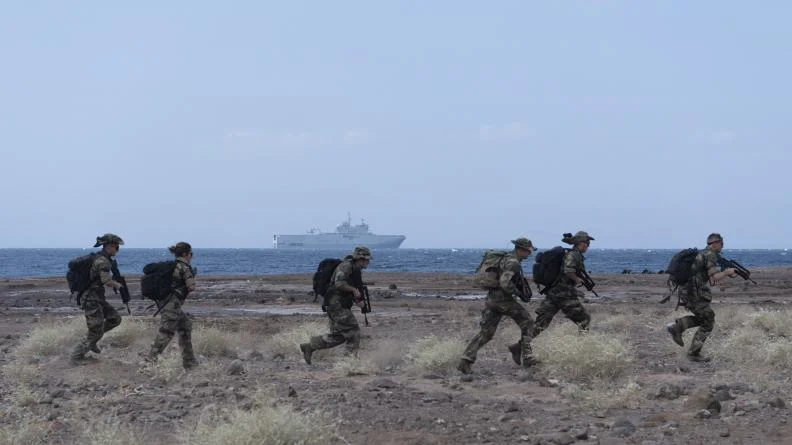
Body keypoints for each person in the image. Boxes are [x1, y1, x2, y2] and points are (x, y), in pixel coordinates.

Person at [457, 237, 537, 374]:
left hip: (492, 300)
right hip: (503, 301)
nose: (529, 254)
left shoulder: (506, 258)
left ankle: (465, 361)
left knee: (486, 333)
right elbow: (505, 283)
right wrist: (518, 293)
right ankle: (527, 358)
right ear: (521, 250)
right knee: (528, 323)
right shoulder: (513, 263)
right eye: (528, 251)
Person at [666, 233, 737, 362]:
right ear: (714, 243)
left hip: (687, 291)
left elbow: (709, 276)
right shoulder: (710, 255)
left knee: (704, 318)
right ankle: (693, 353)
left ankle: (678, 327)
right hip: (694, 292)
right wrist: (727, 272)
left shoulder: (702, 254)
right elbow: (714, 277)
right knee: (708, 320)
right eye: (721, 243)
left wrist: (725, 274)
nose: (723, 246)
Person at [300, 245, 370, 364]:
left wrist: (358, 300)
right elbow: (339, 284)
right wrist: (353, 290)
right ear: (361, 259)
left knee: (340, 335)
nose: (368, 262)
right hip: (335, 304)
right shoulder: (346, 266)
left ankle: (310, 346)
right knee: (354, 332)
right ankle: (350, 362)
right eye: (367, 259)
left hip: (336, 304)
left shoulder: (354, 269)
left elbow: (349, 287)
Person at [70, 234, 125, 365]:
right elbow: (106, 280)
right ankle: (76, 357)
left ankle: (92, 341)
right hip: (91, 298)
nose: (117, 250)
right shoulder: (102, 261)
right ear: (109, 246)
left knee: (115, 319)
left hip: (97, 297)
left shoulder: (104, 259)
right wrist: (119, 286)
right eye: (116, 247)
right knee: (95, 331)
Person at [144, 242, 197, 369]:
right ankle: (150, 361)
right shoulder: (184, 267)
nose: (191, 257)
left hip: (166, 302)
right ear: (185, 254)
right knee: (166, 332)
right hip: (172, 304)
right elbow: (191, 287)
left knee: (185, 326)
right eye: (191, 254)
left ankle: (189, 361)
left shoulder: (171, 266)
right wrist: (192, 277)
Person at [532, 231, 593, 338]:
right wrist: (577, 279)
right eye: (588, 244)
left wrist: (576, 290)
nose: (588, 246)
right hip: (564, 294)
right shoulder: (574, 254)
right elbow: (568, 270)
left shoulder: (572, 253)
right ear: (582, 243)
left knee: (541, 323)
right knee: (584, 320)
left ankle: (520, 346)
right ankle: (583, 346)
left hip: (555, 292)